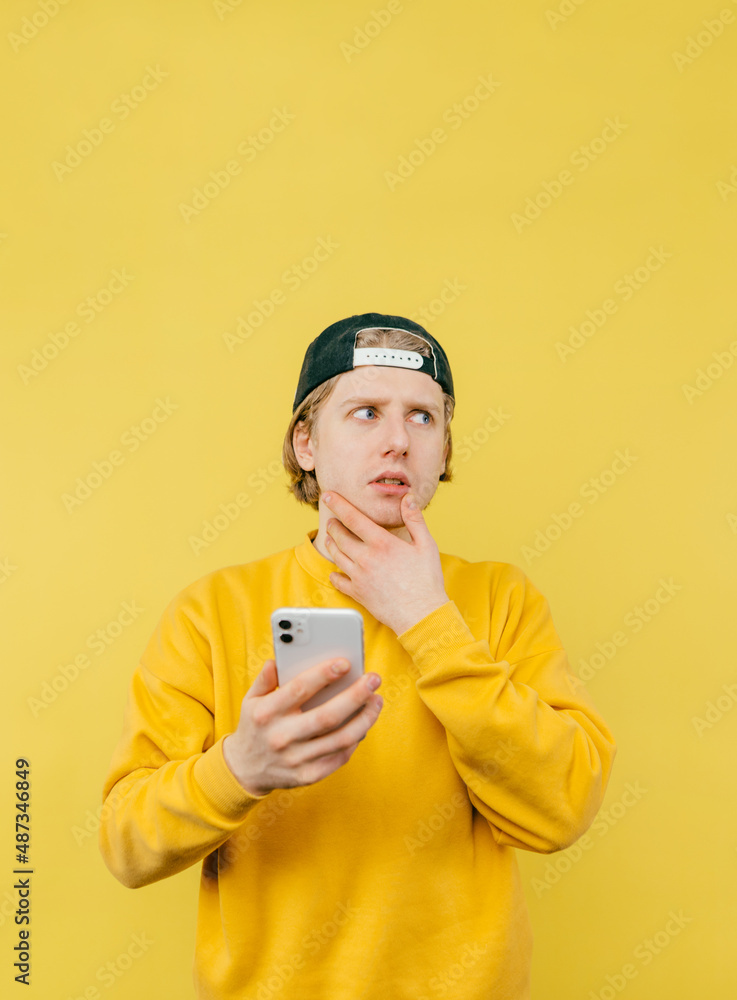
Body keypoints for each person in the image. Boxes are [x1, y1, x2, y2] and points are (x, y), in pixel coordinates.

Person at [99, 312, 617, 1000]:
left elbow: (561, 808)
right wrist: (239, 767)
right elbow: (127, 845)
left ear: (443, 447)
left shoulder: (500, 599)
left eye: (422, 417)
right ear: (306, 443)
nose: (398, 440)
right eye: (366, 412)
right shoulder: (211, 611)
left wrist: (426, 619)